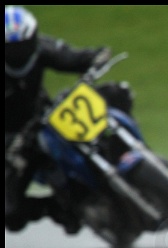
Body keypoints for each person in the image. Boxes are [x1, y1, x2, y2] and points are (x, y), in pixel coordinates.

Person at [4, 5, 124, 234]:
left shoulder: (41, 49)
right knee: (10, 212)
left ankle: (132, 154)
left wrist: (94, 59)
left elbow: (72, 58)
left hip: (46, 117)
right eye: (11, 48)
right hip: (14, 141)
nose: (19, 52)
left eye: (23, 44)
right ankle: (58, 207)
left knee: (115, 95)